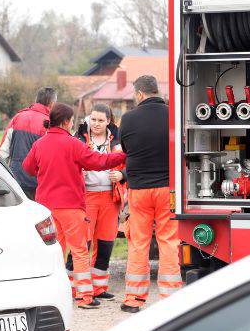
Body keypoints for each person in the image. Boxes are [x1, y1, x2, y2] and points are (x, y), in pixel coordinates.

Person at [22, 102, 126, 310]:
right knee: (79, 250)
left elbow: (28, 168)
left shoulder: (40, 144)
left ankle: (56, 294)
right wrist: (124, 155)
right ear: (67, 122)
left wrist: (46, 172)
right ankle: (85, 296)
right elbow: (98, 162)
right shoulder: (73, 144)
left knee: (56, 251)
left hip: (46, 207)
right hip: (71, 205)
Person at [117, 75, 182, 313]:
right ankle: (170, 298)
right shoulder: (173, 115)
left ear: (140, 94)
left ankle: (134, 299)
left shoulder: (128, 118)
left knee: (138, 242)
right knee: (168, 241)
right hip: (167, 189)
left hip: (139, 190)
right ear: (156, 91)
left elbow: (125, 148)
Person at [75, 103, 125, 301]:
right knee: (83, 244)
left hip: (110, 198)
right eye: (93, 119)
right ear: (88, 118)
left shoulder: (118, 140)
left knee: (105, 244)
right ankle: (77, 288)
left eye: (100, 120)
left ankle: (99, 288)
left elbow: (131, 162)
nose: (96, 124)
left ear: (108, 122)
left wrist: (122, 174)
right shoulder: (78, 138)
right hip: (86, 197)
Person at [0, 87, 56, 199]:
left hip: (16, 180)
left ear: (36, 100)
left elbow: (2, 153)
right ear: (52, 104)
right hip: (39, 183)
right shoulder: (50, 123)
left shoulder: (17, 117)